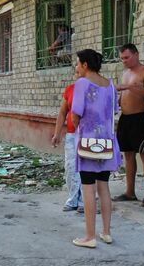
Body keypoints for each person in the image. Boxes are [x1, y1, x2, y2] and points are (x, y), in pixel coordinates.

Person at [71, 49, 121, 248]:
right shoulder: (110, 85)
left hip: (88, 144)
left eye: (77, 63)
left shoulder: (82, 83)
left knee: (88, 188)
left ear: (84, 65)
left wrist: (78, 126)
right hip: (107, 144)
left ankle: (89, 236)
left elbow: (76, 114)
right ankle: (106, 232)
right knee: (104, 187)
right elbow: (114, 111)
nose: (76, 67)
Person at [113, 43, 144, 207]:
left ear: (136, 55)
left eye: (127, 57)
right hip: (125, 119)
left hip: (141, 118)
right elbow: (125, 93)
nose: (124, 61)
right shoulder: (125, 73)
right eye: (122, 58)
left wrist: (130, 87)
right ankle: (129, 192)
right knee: (128, 155)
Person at [51, 69, 83, 212]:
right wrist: (57, 133)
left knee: (86, 167)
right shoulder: (70, 89)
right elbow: (63, 112)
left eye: (79, 71)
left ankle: (84, 201)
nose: (77, 74)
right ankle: (72, 199)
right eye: (75, 72)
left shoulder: (94, 89)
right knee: (71, 167)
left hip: (88, 135)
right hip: (71, 135)